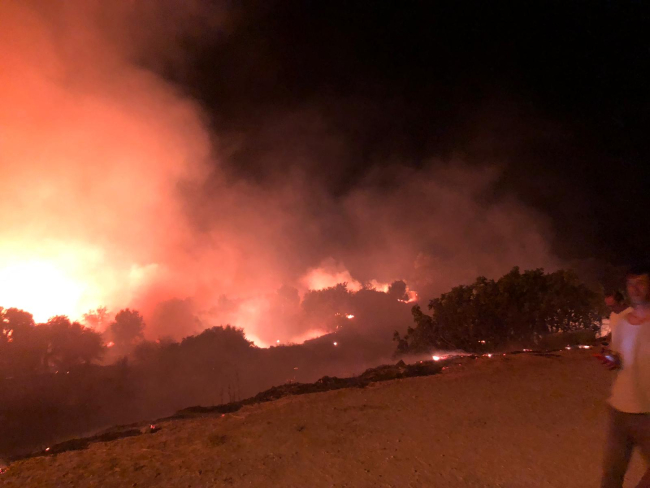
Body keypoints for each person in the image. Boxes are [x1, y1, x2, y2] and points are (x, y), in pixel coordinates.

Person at [601, 264, 650, 488]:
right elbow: (618, 358)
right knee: (611, 476)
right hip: (619, 410)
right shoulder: (621, 323)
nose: (635, 288)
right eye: (630, 284)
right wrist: (611, 361)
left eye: (640, 282)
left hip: (647, 413)